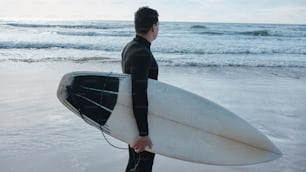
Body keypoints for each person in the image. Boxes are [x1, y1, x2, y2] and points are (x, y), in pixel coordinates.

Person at [121, 6, 159, 172]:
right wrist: (143, 133)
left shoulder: (130, 47)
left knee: (134, 165)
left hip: (133, 119)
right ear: (153, 26)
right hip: (140, 122)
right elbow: (138, 93)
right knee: (142, 167)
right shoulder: (141, 53)